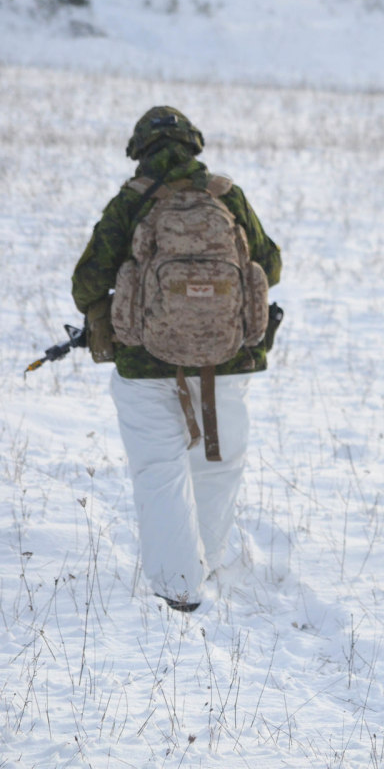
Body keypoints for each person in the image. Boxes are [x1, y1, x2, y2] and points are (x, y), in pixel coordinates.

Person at [72, 106, 282, 613]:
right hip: (229, 361)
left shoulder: (132, 200)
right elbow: (269, 266)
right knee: (217, 465)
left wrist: (116, 315)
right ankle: (206, 561)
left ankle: (178, 587)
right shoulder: (226, 195)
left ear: (139, 150)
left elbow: (86, 282)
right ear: (194, 146)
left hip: (146, 365)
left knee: (159, 470)